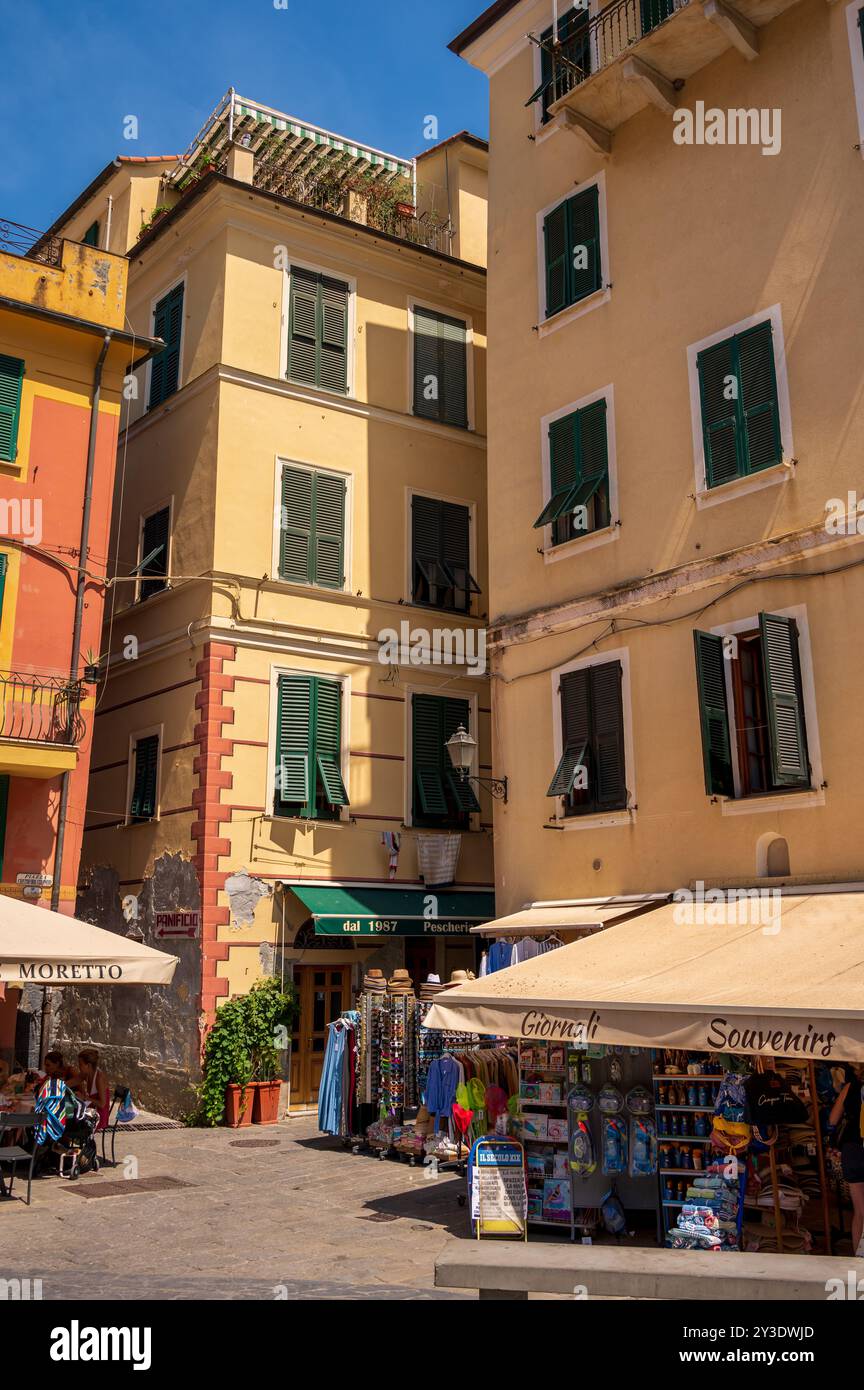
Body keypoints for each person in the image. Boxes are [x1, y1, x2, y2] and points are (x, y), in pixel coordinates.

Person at [830, 1063, 864, 1256]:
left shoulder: (851, 1087)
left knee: (859, 1211)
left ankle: (859, 1260)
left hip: (853, 1148)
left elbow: (833, 1119)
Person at [76, 1049, 110, 1131]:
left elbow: (102, 1104)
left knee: (71, 1121)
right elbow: (74, 1081)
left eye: (80, 1064)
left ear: (88, 1065)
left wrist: (85, 1098)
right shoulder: (86, 1074)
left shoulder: (99, 1078)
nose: (79, 1067)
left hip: (98, 1117)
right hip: (91, 1110)